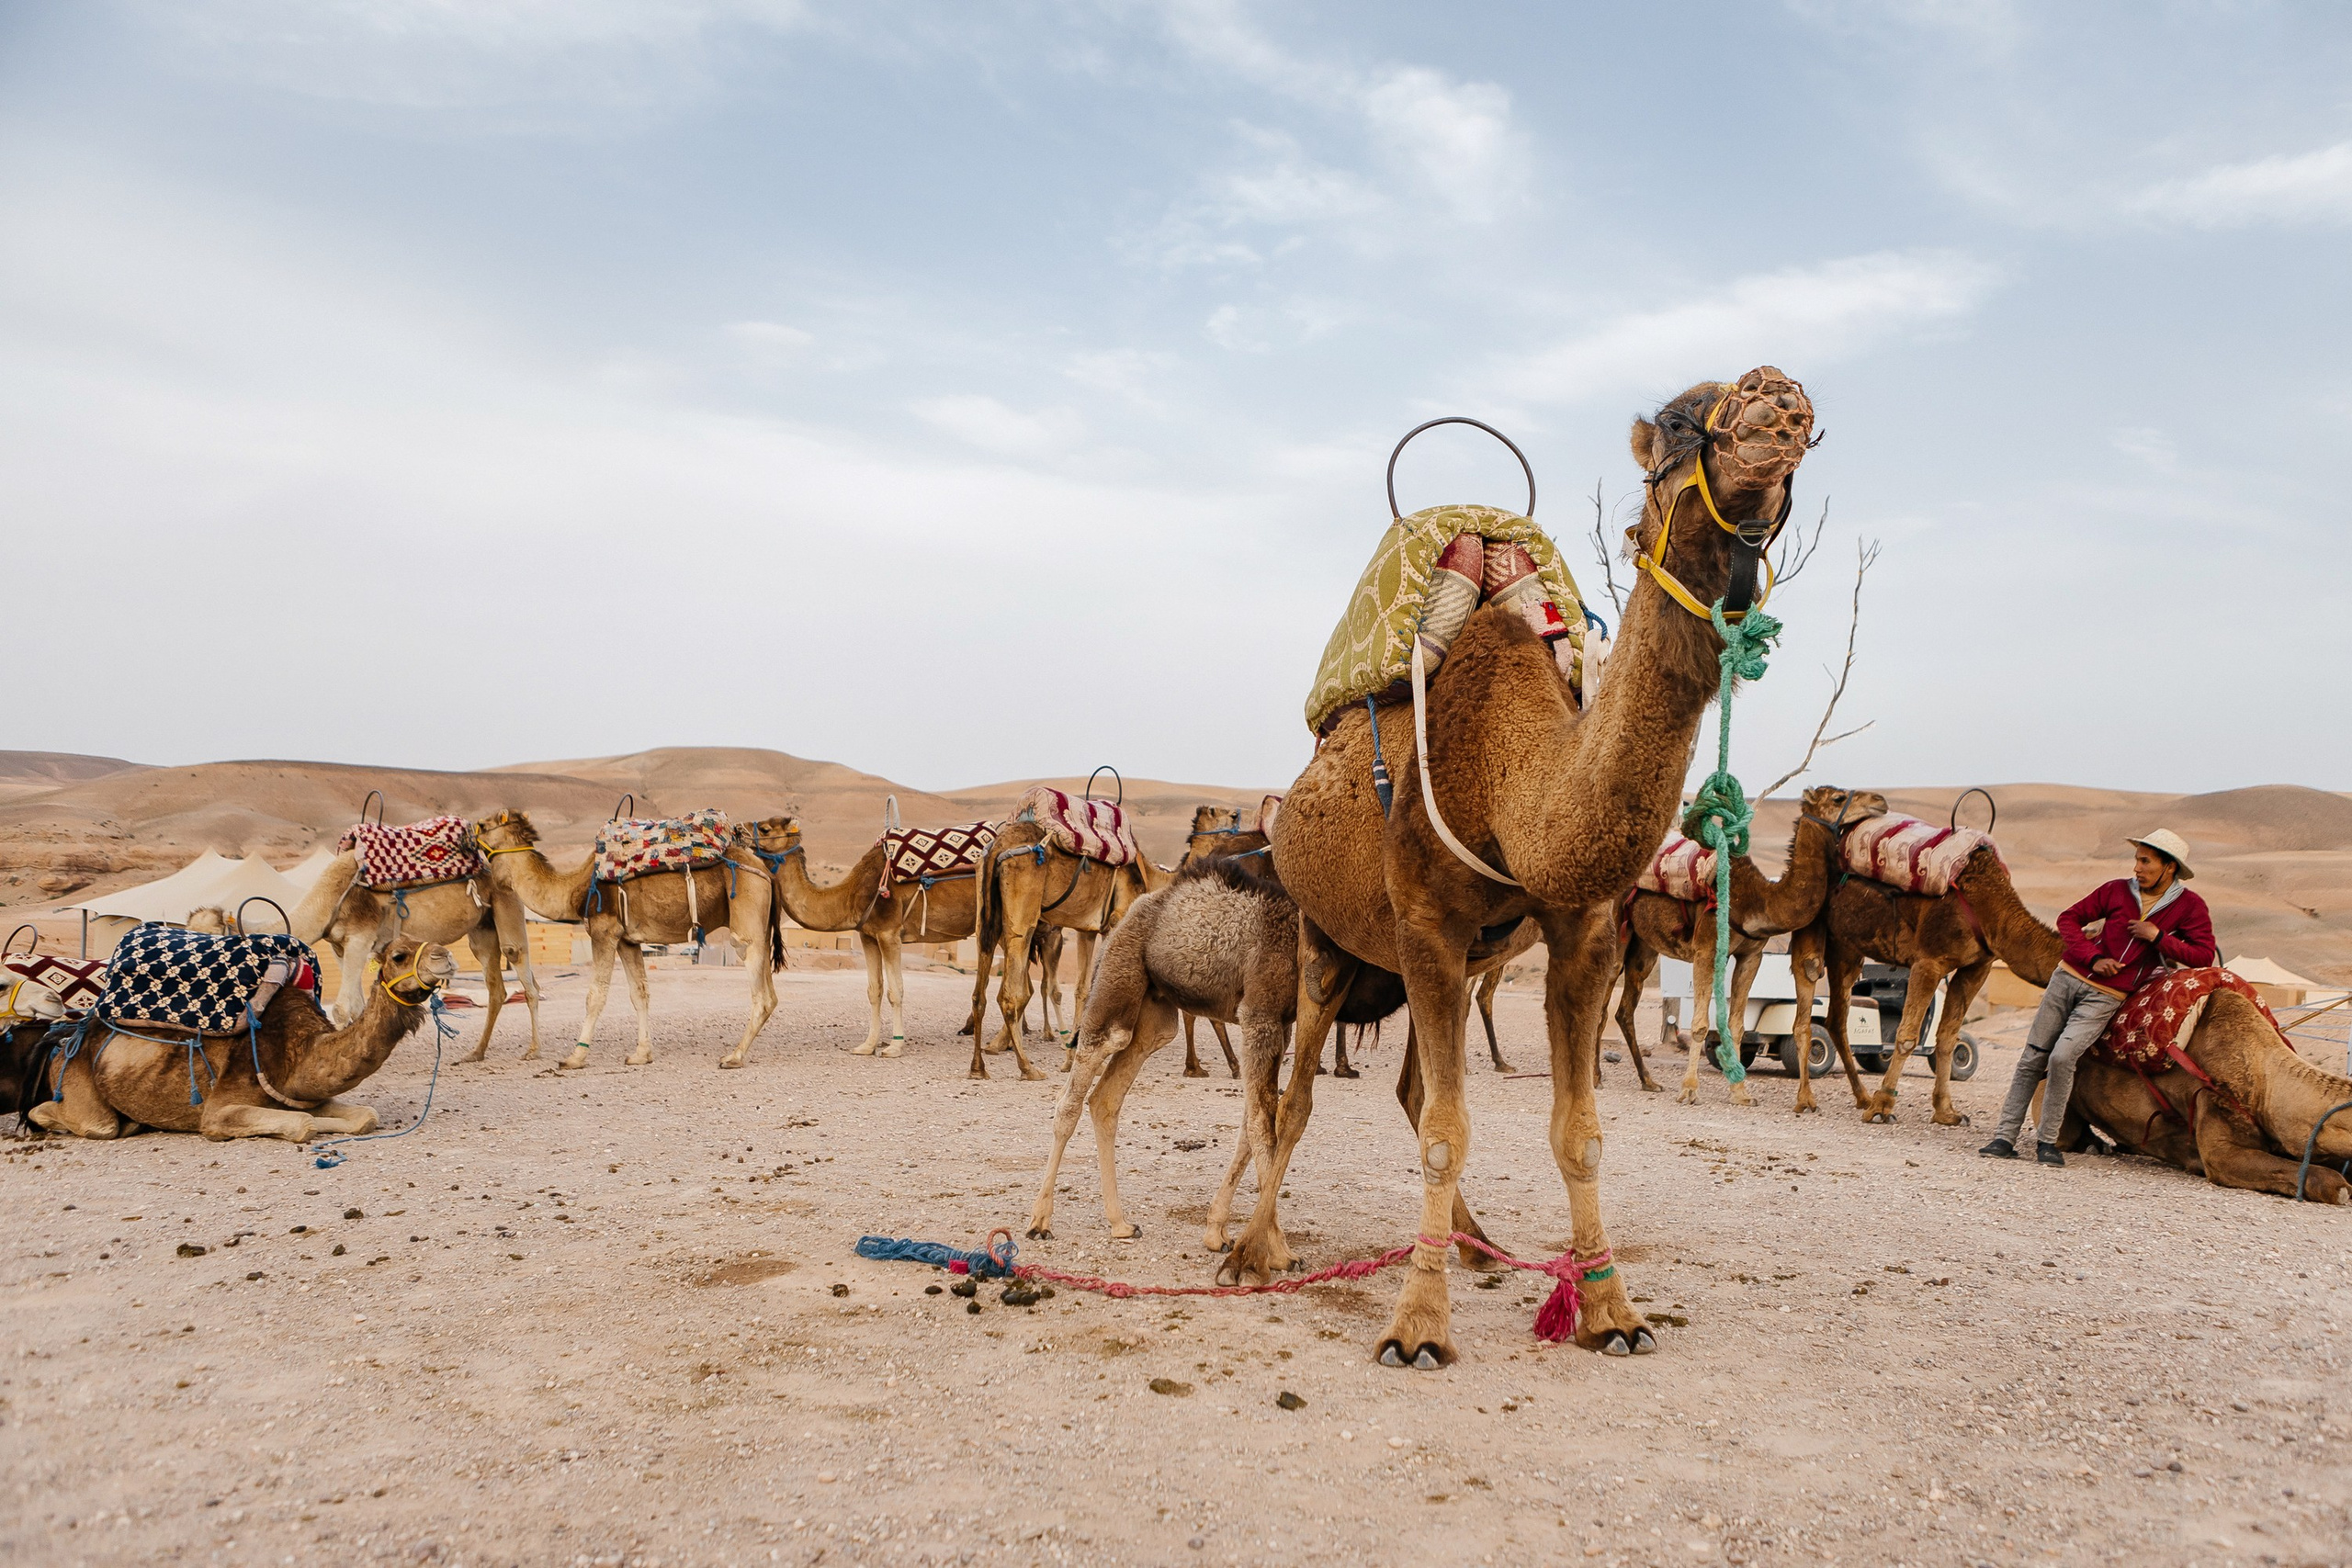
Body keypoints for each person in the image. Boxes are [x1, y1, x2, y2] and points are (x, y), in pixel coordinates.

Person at [1980, 829, 2215, 1167]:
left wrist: (2158, 936)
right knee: (2033, 1057)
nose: (2136, 868)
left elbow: (2203, 954)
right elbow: (2068, 919)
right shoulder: (2115, 890)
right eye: (2136, 860)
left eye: (2145, 862)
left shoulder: (2189, 906)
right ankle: (2004, 1138)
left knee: (2062, 1058)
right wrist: (2092, 957)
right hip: (2065, 980)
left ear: (2170, 867)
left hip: (2107, 997)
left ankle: (2047, 1141)